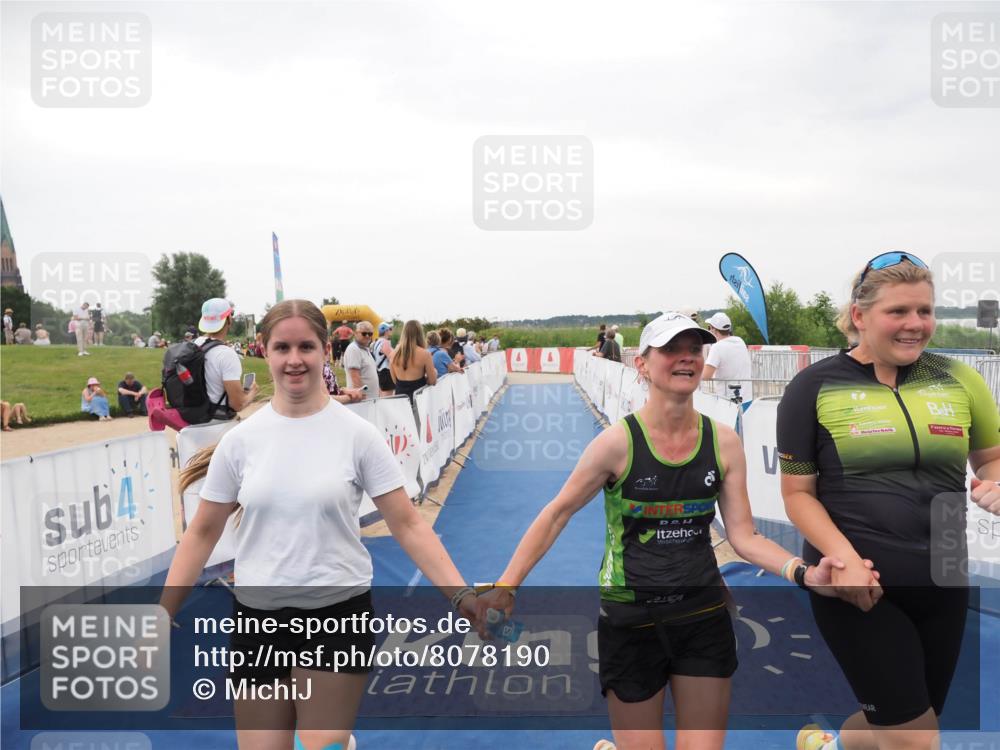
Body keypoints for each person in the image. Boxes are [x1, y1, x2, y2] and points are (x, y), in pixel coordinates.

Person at [477, 312, 866, 750]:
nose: (686, 359)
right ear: (642, 364)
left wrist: (803, 572)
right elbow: (556, 513)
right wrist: (507, 585)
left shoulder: (723, 442)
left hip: (700, 613)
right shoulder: (617, 444)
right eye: (671, 350)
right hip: (630, 617)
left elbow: (743, 536)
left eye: (694, 349)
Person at [159, 299, 482, 750]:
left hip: (336, 614)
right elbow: (202, 533)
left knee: (320, 745)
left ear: (325, 350)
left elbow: (408, 524)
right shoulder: (240, 442)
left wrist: (461, 594)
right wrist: (163, 612)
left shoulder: (357, 435)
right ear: (264, 352)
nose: (295, 359)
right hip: (258, 619)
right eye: (282, 347)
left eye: (306, 346)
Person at [777, 253, 1000, 750]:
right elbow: (797, 494)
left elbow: (990, 460)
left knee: (909, 719)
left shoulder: (961, 380)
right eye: (898, 311)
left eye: (925, 311)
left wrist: (995, 481)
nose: (915, 325)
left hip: (944, 575)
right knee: (916, 740)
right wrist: (847, 561)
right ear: (859, 317)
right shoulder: (813, 387)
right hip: (859, 581)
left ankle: (831, 746)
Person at [194, 298, 259, 420]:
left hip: (194, 417)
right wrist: (252, 393)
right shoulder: (226, 354)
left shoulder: (194, 344)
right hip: (217, 421)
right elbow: (237, 404)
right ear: (229, 319)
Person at [701, 312, 753, 402]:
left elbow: (705, 376)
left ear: (714, 330)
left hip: (728, 401)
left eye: (709, 328)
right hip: (747, 398)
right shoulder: (740, 341)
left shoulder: (717, 347)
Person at [389, 320, 438, 401]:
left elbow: (395, 380)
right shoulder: (425, 354)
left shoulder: (393, 354)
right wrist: (435, 372)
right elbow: (432, 381)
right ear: (420, 333)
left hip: (400, 400)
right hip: (419, 400)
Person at [343, 321, 380, 396]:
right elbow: (355, 375)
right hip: (362, 402)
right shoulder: (353, 349)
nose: (367, 336)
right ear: (356, 333)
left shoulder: (365, 349)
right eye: (364, 333)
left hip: (371, 400)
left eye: (370, 334)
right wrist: (361, 396)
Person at [372, 322, 396, 396]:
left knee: (381, 395)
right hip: (386, 372)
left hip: (379, 371)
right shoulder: (385, 342)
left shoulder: (376, 342)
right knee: (387, 397)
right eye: (390, 329)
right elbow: (392, 358)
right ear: (386, 331)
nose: (391, 331)